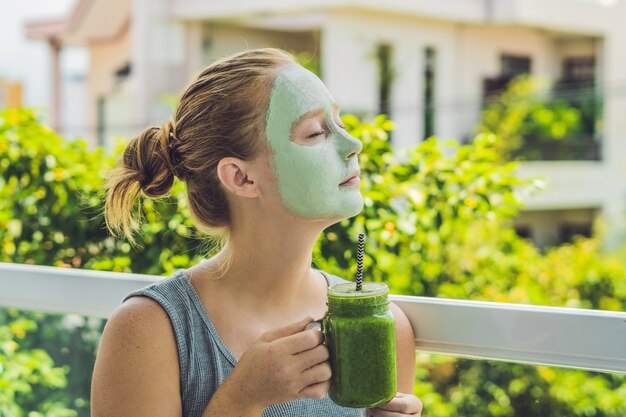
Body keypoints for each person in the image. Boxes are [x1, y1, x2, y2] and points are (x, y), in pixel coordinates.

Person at [92, 48, 423, 417]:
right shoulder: (147, 331)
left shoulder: (386, 329)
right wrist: (242, 399)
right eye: (315, 132)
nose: (353, 145)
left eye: (340, 124)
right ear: (241, 177)